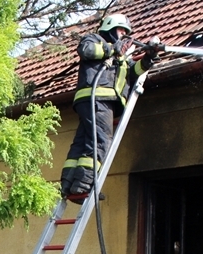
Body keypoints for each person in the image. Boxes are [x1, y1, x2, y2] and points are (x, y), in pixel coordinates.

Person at [60, 13, 160, 198]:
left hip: (92, 102)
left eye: (126, 31)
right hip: (98, 98)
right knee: (101, 141)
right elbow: (86, 50)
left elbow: (132, 72)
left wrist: (148, 59)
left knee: (82, 143)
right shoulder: (95, 40)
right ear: (110, 28)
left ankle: (68, 184)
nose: (124, 34)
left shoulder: (121, 55)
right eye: (121, 30)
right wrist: (113, 48)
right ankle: (84, 185)